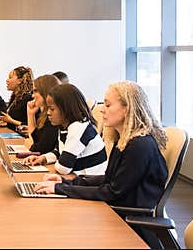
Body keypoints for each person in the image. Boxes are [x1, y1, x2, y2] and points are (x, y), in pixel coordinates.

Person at [34, 80, 167, 211]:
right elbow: (109, 180)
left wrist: (61, 189)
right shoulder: (124, 140)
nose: (102, 109)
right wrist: (64, 182)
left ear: (127, 109)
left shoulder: (139, 146)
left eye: (108, 105)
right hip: (113, 209)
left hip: (125, 221)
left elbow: (112, 192)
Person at [24, 83, 107, 177]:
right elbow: (60, 152)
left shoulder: (78, 128)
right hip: (78, 179)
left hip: (91, 183)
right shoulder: (65, 127)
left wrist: (58, 163)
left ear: (66, 109)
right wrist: (43, 158)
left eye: (52, 109)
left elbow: (63, 168)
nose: (48, 113)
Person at [23, 74, 60, 155]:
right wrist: (30, 114)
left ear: (46, 91)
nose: (32, 95)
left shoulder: (54, 117)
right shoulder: (43, 114)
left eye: (36, 91)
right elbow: (34, 139)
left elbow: (40, 150)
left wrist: (31, 146)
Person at [0, 65, 34, 133]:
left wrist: (11, 121)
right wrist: (7, 122)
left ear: (19, 81)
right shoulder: (15, 97)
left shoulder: (28, 98)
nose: (7, 80)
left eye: (10, 77)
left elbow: (31, 125)